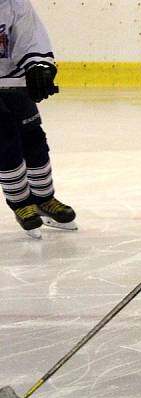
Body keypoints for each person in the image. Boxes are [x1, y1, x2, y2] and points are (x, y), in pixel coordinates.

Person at [0, 0, 76, 239]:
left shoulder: (13, 3)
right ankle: (21, 202)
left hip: (13, 81)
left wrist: (38, 66)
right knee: (4, 140)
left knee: (33, 137)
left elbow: (30, 36)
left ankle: (44, 198)